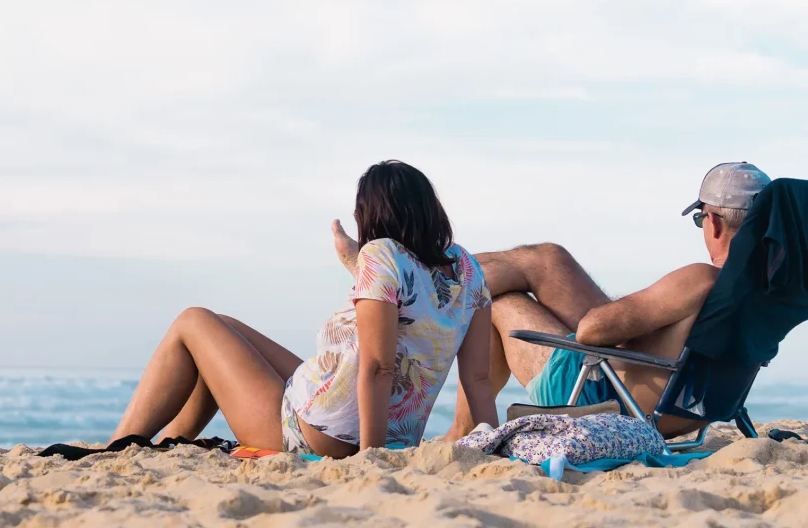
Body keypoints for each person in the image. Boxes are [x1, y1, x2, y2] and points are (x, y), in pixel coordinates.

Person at [109, 160, 495, 458]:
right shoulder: (467, 269)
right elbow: (477, 380)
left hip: (318, 434)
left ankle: (118, 444)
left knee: (192, 321)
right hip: (374, 425)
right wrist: (493, 445)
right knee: (222, 330)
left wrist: (371, 457)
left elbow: (379, 368)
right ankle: (163, 441)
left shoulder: (381, 256)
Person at [439, 161, 772, 439]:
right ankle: (434, 272)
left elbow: (592, 332)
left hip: (601, 397)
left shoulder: (702, 279)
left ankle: (463, 426)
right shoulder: (768, 291)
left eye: (700, 219)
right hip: (686, 409)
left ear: (713, 222)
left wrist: (631, 310)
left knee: (497, 302)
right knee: (547, 259)